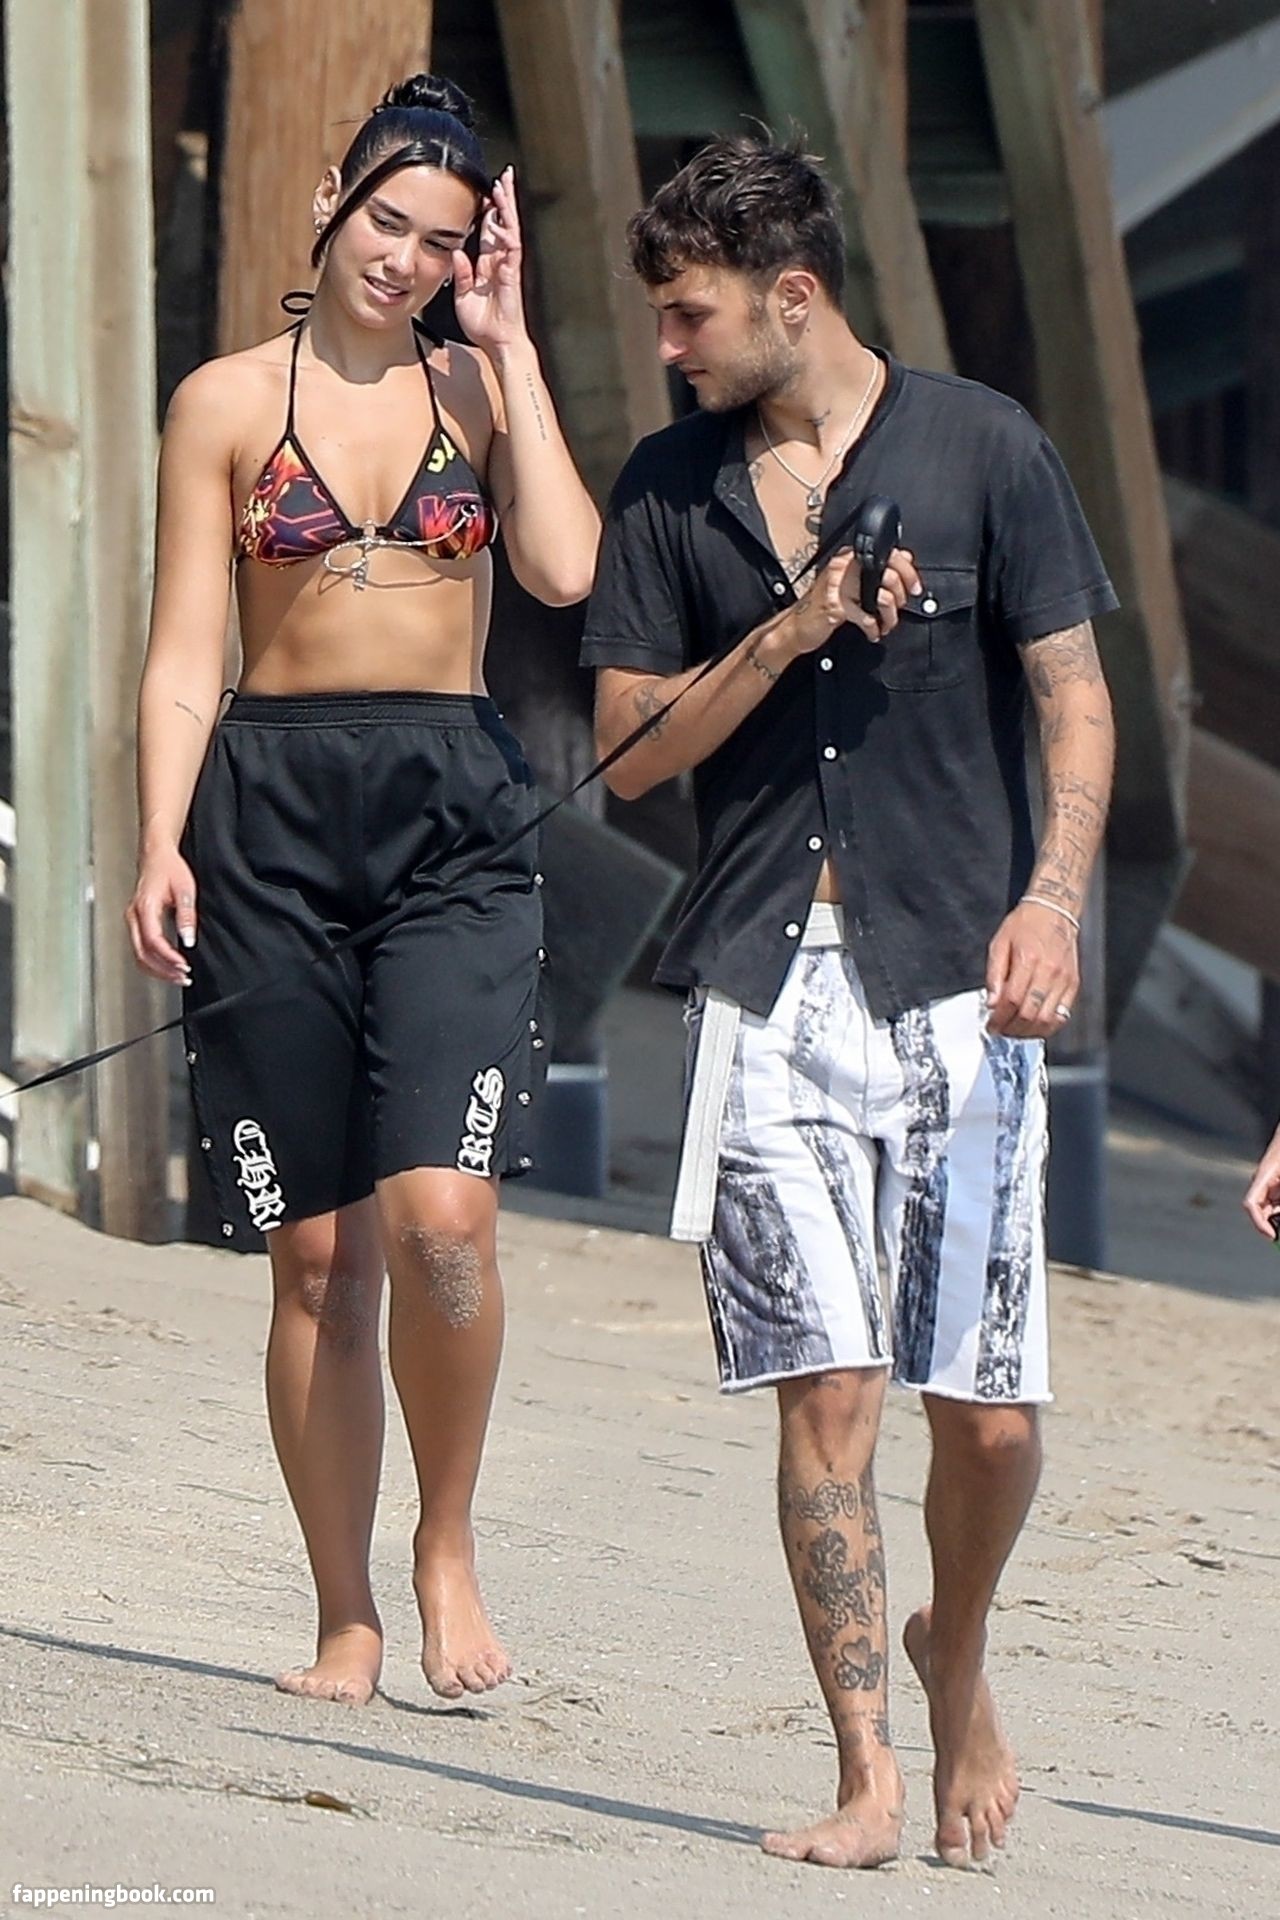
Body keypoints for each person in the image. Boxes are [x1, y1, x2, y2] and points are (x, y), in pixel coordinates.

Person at [582, 134, 1116, 1869]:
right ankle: (869, 1774)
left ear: (790, 296)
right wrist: (788, 630)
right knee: (830, 1390)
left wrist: (1052, 902)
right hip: (762, 982)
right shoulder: (669, 486)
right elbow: (624, 758)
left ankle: (957, 1643)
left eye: (691, 315)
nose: (670, 346)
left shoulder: (985, 446)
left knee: (992, 1418)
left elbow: (1076, 698)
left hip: (964, 983)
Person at [127, 75, 599, 1708]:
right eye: (387, 221)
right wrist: (161, 837)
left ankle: (445, 1542)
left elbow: (564, 569)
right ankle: (346, 1613)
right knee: (320, 1261)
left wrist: (514, 348)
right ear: (332, 204)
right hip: (270, 812)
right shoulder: (224, 403)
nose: (405, 259)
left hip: (451, 816)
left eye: (442, 242)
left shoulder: (475, 388)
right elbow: (186, 649)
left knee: (444, 1223)